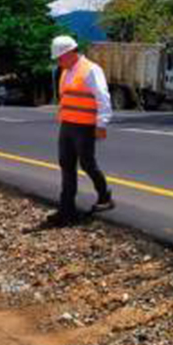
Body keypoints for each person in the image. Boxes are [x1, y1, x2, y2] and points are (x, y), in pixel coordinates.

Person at [46, 35, 114, 227]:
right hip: (67, 125)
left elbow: (103, 97)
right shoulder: (66, 71)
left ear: (69, 53)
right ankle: (66, 210)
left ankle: (104, 196)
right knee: (66, 165)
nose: (58, 61)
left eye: (59, 57)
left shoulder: (91, 70)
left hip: (85, 126)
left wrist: (101, 124)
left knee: (87, 164)